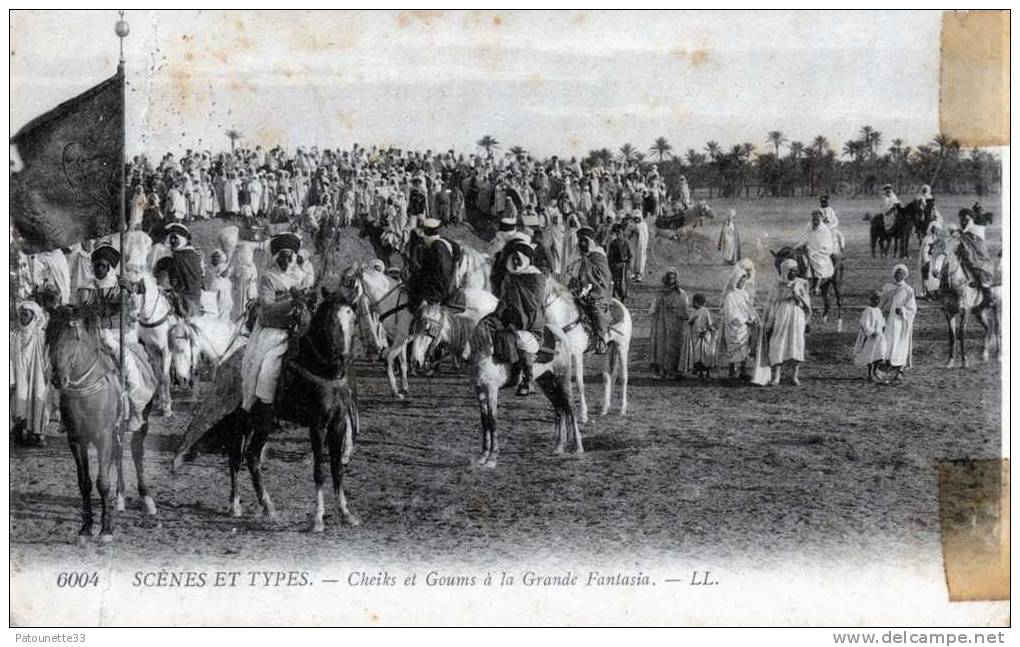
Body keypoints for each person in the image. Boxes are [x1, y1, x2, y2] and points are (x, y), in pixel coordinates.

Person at [76, 244, 156, 434]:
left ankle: (137, 410)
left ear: (110, 267)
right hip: (92, 332)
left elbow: (135, 309)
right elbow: (80, 309)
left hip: (118, 333)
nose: (99, 269)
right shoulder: (86, 286)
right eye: (96, 266)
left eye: (103, 266)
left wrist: (129, 293)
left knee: (128, 365)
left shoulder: (121, 285)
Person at [240, 232, 304, 415]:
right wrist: (291, 302)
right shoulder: (268, 277)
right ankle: (264, 405)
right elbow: (267, 307)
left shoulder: (299, 276)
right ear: (276, 258)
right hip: (272, 329)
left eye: (289, 258)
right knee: (266, 367)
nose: (286, 261)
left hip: (296, 328)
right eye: (282, 257)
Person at [495, 239, 547, 396]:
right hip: (511, 315)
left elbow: (534, 303)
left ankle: (528, 380)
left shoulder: (536, 277)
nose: (516, 262)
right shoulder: (510, 276)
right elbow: (503, 297)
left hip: (530, 319)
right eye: (514, 259)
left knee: (522, 340)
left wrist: (515, 307)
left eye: (519, 259)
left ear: (526, 259)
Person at [565, 227, 612, 354]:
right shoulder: (575, 256)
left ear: (591, 242)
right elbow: (569, 273)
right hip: (577, 289)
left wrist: (587, 289)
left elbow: (604, 278)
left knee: (596, 308)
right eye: (580, 241)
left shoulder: (598, 256)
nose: (583, 244)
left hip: (596, 290)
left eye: (585, 241)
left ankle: (600, 338)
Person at [764, 258, 811, 386]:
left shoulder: (801, 283)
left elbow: (807, 302)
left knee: (796, 343)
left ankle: (794, 376)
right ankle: (776, 377)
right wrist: (786, 296)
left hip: (797, 315)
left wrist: (799, 299)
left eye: (795, 271)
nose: (794, 273)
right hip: (782, 314)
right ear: (785, 271)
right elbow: (772, 302)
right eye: (791, 271)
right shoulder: (778, 284)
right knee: (778, 342)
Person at [10, 301, 49, 447]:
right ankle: (19, 433)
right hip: (19, 375)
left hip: (37, 375)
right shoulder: (13, 335)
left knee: (37, 401)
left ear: (33, 316)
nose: (23, 317)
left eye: (26, 315)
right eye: (22, 314)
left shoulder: (41, 336)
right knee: (19, 400)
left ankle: (38, 434)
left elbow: (47, 357)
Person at [406, 217, 463, 312]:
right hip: (449, 280)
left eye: (424, 232)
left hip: (439, 288)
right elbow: (457, 249)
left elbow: (434, 274)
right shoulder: (445, 241)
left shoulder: (434, 248)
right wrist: (454, 265)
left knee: (415, 298)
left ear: (427, 232)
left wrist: (417, 279)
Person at [647, 267, 691, 379]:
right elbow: (653, 309)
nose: (671, 279)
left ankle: (673, 371)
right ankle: (661, 371)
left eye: (673, 277)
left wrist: (676, 310)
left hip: (675, 325)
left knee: (674, 347)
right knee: (661, 347)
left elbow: (685, 311)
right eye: (668, 277)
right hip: (661, 324)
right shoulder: (660, 294)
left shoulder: (680, 293)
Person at [154, 223, 204, 316]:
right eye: (171, 238)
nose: (172, 241)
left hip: (187, 302)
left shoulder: (186, 256)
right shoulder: (180, 255)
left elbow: (189, 284)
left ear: (182, 240)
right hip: (182, 298)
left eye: (175, 238)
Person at [717, 268, 760, 379]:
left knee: (744, 347)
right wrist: (743, 320)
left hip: (745, 327)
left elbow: (748, 308)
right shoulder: (730, 296)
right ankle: (732, 371)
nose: (742, 283)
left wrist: (752, 317)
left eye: (743, 281)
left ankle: (743, 370)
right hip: (734, 327)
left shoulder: (744, 294)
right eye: (740, 281)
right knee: (734, 348)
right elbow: (731, 313)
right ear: (735, 280)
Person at [879, 264, 916, 382]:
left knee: (899, 342)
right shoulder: (887, 287)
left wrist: (903, 311)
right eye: (897, 272)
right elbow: (881, 303)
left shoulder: (908, 290)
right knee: (886, 341)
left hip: (900, 322)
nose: (899, 275)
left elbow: (913, 309)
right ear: (893, 274)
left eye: (902, 273)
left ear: (905, 275)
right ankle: (886, 363)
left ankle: (899, 368)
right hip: (888, 320)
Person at [956, 208, 995, 312]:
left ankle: (988, 298)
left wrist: (960, 232)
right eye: (962, 219)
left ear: (971, 219)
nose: (963, 221)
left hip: (978, 255)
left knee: (978, 269)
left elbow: (965, 231)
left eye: (966, 219)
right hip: (970, 253)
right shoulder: (967, 229)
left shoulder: (975, 228)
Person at [853, 290, 887, 382]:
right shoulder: (868, 311)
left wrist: (883, 328)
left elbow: (881, 322)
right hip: (871, 337)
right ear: (871, 300)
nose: (877, 302)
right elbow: (864, 323)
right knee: (870, 355)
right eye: (875, 300)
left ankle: (875, 371)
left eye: (878, 300)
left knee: (880, 353)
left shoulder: (878, 310)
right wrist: (871, 332)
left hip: (879, 336)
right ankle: (870, 374)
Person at [803, 210, 834, 294]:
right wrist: (802, 246)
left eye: (817, 220)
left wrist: (813, 251)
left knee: (819, 263)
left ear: (820, 219)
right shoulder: (809, 226)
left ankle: (817, 285)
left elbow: (823, 244)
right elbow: (805, 237)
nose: (815, 222)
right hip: (809, 249)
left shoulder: (824, 230)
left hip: (821, 252)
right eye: (813, 219)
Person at [689, 294, 715, 381]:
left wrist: (705, 331)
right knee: (700, 354)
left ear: (697, 302)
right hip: (697, 335)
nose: (692, 304)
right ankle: (701, 373)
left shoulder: (703, 311)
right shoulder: (696, 311)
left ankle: (705, 373)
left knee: (703, 354)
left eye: (694, 302)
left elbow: (709, 324)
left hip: (703, 335)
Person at [607, 224, 632, 302]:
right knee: (615, 282)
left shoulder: (626, 243)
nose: (618, 235)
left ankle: (623, 297)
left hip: (624, 265)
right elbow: (610, 255)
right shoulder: (613, 244)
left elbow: (630, 254)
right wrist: (610, 264)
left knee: (624, 282)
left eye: (619, 233)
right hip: (615, 265)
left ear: (622, 234)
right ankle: (614, 297)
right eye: (617, 234)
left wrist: (628, 264)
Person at [628, 212, 650, 281]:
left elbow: (646, 236)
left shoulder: (643, 225)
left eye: (638, 218)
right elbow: (627, 234)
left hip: (641, 244)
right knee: (633, 257)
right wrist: (632, 232)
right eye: (635, 218)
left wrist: (639, 232)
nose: (637, 220)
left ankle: (639, 274)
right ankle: (632, 272)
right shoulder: (630, 225)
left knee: (640, 258)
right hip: (633, 243)